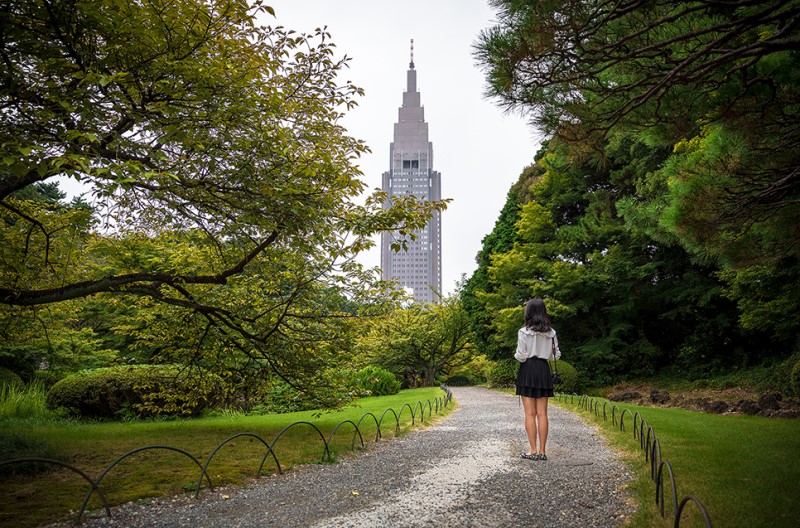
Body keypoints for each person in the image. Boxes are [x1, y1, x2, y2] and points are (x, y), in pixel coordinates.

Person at [514, 298, 560, 461]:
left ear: (528, 312)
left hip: (528, 369)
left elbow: (520, 356)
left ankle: (532, 450)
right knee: (542, 413)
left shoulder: (523, 332)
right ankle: (543, 451)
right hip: (543, 369)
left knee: (530, 413)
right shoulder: (551, 333)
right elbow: (556, 355)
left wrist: (518, 355)